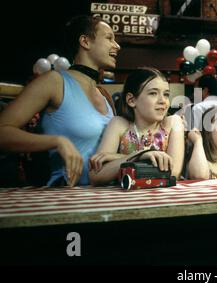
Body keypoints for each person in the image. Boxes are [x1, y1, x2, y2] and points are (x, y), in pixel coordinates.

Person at [0, 15, 120, 186]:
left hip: (106, 199)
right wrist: (57, 141)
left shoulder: (105, 95)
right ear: (85, 41)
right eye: (109, 38)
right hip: (63, 201)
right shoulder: (54, 81)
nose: (117, 46)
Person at [89, 68, 185, 185]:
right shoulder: (119, 124)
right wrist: (138, 156)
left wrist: (116, 157)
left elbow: (173, 172)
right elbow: (96, 175)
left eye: (166, 94)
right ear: (131, 100)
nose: (163, 101)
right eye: (153, 93)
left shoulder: (173, 123)